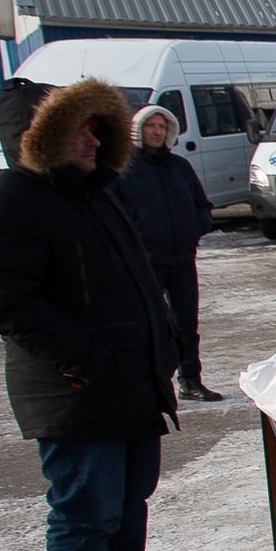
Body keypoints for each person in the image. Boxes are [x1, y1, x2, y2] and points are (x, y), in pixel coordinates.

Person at [0, 77, 197, 551]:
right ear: (37, 139)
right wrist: (89, 361)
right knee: (85, 513)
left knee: (126, 501)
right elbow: (4, 302)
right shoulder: (9, 201)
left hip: (129, 381)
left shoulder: (97, 194)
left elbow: (139, 278)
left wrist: (162, 345)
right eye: (79, 129)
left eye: (98, 126)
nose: (93, 139)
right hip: (77, 389)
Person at [115, 102, 222, 402]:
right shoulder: (125, 170)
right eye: (151, 125)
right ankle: (151, 383)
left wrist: (198, 226)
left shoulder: (180, 167)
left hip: (182, 258)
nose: (157, 131)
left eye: (162, 127)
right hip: (146, 261)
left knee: (186, 324)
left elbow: (203, 204)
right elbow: (116, 212)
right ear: (138, 129)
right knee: (149, 325)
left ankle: (190, 379)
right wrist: (138, 236)